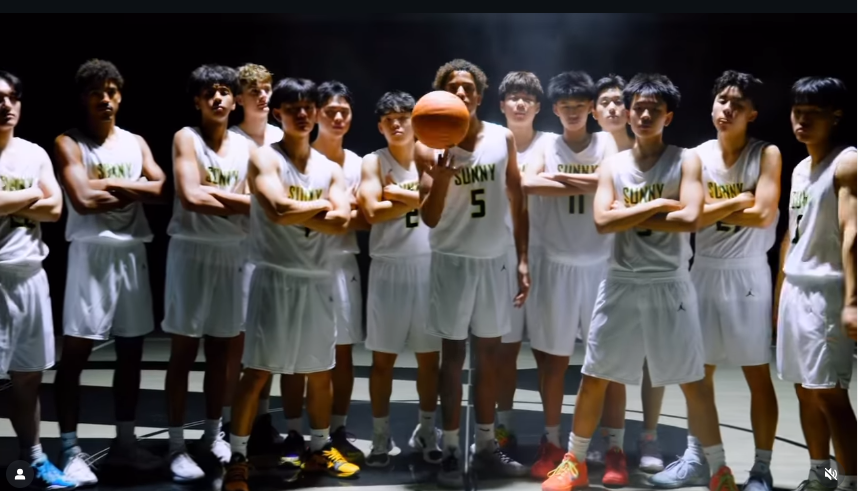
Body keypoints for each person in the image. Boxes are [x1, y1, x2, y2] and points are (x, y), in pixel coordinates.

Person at [541, 73, 739, 491]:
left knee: (692, 382)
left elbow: (689, 218)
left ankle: (720, 470)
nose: (645, 115)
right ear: (628, 114)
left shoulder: (686, 160)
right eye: (639, 108)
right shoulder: (612, 165)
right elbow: (601, 221)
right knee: (594, 376)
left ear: (669, 116)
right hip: (621, 280)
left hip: (669, 282)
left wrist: (627, 213)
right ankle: (574, 462)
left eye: (655, 109)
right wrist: (661, 204)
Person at [223, 77, 359, 491]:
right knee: (258, 372)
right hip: (275, 276)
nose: (302, 113)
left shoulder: (330, 168)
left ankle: (319, 448)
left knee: (319, 372)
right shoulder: (264, 158)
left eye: (307, 106)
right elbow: (277, 210)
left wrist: (302, 208)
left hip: (317, 279)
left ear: (316, 112)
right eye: (292, 107)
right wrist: (321, 205)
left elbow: (343, 221)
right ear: (278, 112)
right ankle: (238, 458)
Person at [652, 70, 781, 491]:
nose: (727, 109)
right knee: (697, 374)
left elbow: (764, 214)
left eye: (737, 105)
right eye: (722, 101)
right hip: (704, 269)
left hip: (748, 273)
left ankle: (761, 469)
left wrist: (709, 207)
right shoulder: (695, 156)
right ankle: (698, 459)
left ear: (752, 114)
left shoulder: (767, 154)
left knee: (757, 375)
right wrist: (740, 199)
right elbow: (687, 216)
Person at [416, 58, 530, 487]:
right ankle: (449, 448)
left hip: (494, 259)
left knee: (490, 356)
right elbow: (429, 218)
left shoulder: (502, 138)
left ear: (479, 96)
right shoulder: (428, 144)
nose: (461, 93)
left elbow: (518, 199)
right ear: (441, 95)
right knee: (452, 358)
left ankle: (485, 445)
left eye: (468, 87)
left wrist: (522, 258)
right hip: (452, 260)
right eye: (453, 87)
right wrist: (442, 177)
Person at [53, 59, 166, 485]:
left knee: (132, 353)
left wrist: (106, 186)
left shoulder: (135, 141)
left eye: (112, 91)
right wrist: (137, 188)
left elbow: (164, 189)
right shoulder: (69, 142)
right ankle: (70, 450)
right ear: (85, 98)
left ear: (121, 95)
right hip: (91, 254)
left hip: (131, 253)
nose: (106, 99)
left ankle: (125, 443)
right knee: (76, 355)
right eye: (97, 92)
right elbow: (82, 201)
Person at [520, 71, 617, 482]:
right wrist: (591, 183)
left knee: (606, 363)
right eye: (566, 106)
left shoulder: (607, 142)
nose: (573, 112)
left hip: (600, 264)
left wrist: (559, 177)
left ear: (591, 108)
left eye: (580, 105)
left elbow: (614, 182)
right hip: (555, 263)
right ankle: (553, 441)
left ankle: (613, 447)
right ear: (555, 109)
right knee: (554, 362)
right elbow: (528, 183)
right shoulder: (545, 144)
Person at [162, 65, 250, 482]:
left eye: (224, 91)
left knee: (222, 352)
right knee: (182, 352)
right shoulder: (186, 137)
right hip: (191, 252)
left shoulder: (246, 146)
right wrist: (237, 202)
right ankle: (175, 446)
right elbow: (190, 196)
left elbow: (255, 202)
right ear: (197, 101)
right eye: (209, 92)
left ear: (235, 101)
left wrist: (211, 192)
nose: (218, 98)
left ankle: (213, 435)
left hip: (232, 253)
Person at [775, 76, 856, 491]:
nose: (802, 120)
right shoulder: (800, 168)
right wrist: (779, 297)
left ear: (835, 116)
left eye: (812, 113)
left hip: (827, 292)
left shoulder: (847, 162)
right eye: (797, 112)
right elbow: (792, 235)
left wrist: (852, 301)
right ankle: (822, 475)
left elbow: (852, 232)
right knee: (805, 390)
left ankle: (849, 482)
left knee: (829, 393)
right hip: (796, 288)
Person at [0, 70, 76, 490]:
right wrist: (32, 194)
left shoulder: (34, 153)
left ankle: (33, 458)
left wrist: (13, 200)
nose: (5, 105)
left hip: (29, 276)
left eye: (12, 97)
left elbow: (56, 209)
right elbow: (41, 201)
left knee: (28, 375)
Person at [358, 90, 442, 467]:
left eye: (403, 117)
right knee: (382, 361)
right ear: (380, 126)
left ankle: (427, 429)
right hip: (388, 267)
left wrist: (396, 192)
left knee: (429, 360)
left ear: (415, 121)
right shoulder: (372, 161)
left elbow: (443, 207)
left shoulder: (433, 156)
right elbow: (372, 212)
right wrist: (417, 198)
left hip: (428, 267)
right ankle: (380, 436)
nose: (396, 124)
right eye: (389, 119)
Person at [588, 73, 666, 474]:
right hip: (598, 262)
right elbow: (602, 214)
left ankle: (649, 435)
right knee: (604, 359)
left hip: (652, 263)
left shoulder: (660, 152)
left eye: (621, 101)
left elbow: (685, 211)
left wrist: (626, 211)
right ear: (595, 111)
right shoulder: (592, 148)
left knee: (653, 355)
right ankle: (606, 436)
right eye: (606, 102)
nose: (615, 108)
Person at [224, 63, 285, 455]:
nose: (262, 96)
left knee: (267, 340)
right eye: (254, 91)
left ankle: (261, 418)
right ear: (239, 99)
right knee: (238, 341)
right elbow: (235, 198)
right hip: (238, 250)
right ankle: (230, 420)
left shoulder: (281, 136)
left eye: (266, 89)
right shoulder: (231, 140)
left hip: (274, 250)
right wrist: (271, 203)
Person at [495, 70, 557, 451]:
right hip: (502, 256)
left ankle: (552, 434)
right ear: (502, 104)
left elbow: (528, 184)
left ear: (537, 107)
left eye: (527, 98)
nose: (520, 104)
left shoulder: (552, 143)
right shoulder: (490, 143)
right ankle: (503, 427)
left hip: (546, 255)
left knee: (548, 352)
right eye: (514, 97)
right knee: (505, 350)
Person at [308, 80, 368, 464]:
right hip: (306, 263)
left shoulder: (359, 163)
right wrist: (342, 210)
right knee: (305, 355)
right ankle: (298, 432)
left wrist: (323, 212)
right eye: (330, 111)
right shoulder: (302, 157)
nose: (338, 118)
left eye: (344, 111)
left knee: (343, 353)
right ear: (316, 114)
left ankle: (338, 429)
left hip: (344, 263)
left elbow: (366, 216)